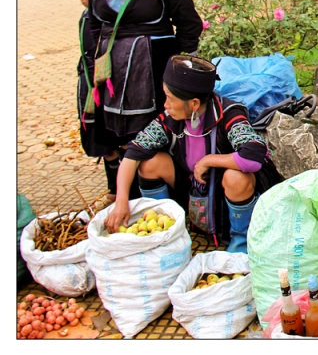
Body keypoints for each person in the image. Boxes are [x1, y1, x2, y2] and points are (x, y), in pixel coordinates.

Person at [104, 56, 282, 253]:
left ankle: (241, 243)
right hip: (193, 191)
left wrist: (209, 160)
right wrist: (121, 201)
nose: (166, 105)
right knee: (149, 163)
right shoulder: (171, 119)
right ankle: (168, 231)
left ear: (195, 104)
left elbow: (253, 157)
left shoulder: (229, 115)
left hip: (224, 199)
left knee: (237, 176)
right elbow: (133, 153)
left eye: (170, 98)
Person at [87, 0, 203, 192]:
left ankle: (155, 195)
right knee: (111, 136)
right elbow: (94, 22)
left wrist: (177, 74)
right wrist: (90, 65)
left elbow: (189, 25)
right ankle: (118, 193)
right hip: (109, 73)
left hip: (151, 75)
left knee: (149, 136)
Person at [74, 0, 141, 205]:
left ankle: (130, 193)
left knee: (120, 140)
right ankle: (114, 190)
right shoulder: (86, 17)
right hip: (93, 89)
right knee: (104, 144)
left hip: (112, 90)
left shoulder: (112, 18)